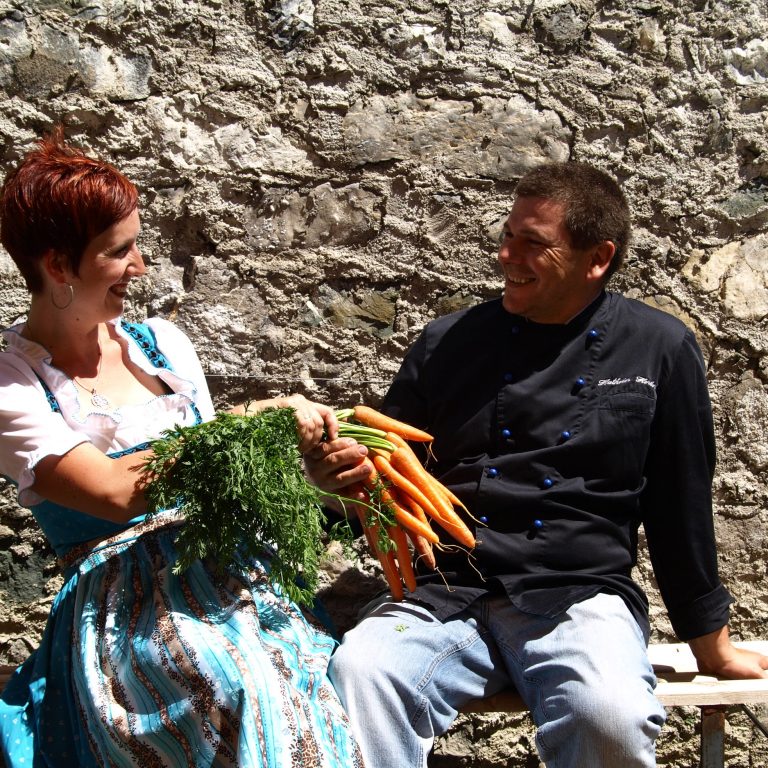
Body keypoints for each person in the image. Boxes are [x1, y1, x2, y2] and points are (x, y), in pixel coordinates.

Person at [306, 161, 768, 768]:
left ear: (596, 258)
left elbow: (680, 503)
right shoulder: (447, 343)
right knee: (361, 675)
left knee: (610, 715)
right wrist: (338, 483)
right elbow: (381, 484)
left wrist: (709, 642)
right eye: (507, 236)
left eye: (533, 244)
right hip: (448, 592)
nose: (507, 256)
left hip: (578, 596)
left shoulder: (659, 347)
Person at [0, 129, 363, 768]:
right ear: (58, 266)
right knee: (229, 682)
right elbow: (116, 493)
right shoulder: (13, 383)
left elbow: (220, 476)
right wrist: (250, 422)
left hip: (234, 568)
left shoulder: (161, 344)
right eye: (120, 251)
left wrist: (316, 475)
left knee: (312, 678)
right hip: (129, 601)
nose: (139, 267)